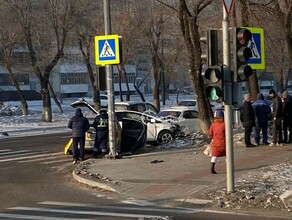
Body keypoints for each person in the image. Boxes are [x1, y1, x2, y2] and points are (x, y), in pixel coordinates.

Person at [209, 110, 226, 174]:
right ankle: (229, 166)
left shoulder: (213, 124)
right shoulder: (224, 125)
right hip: (223, 143)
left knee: (214, 156)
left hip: (215, 142)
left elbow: (210, 133)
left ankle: (212, 167)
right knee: (227, 155)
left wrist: (213, 137)